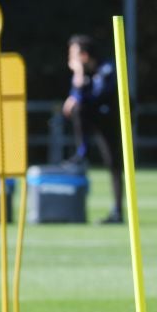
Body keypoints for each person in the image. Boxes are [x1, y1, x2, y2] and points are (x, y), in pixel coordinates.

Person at [62, 34, 124, 224]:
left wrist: (79, 76)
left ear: (85, 55)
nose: (70, 60)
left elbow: (98, 97)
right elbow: (77, 98)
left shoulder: (107, 69)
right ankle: (82, 153)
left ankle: (117, 211)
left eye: (74, 55)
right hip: (94, 118)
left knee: (114, 165)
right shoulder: (85, 73)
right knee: (78, 107)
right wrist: (76, 90)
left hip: (110, 120)